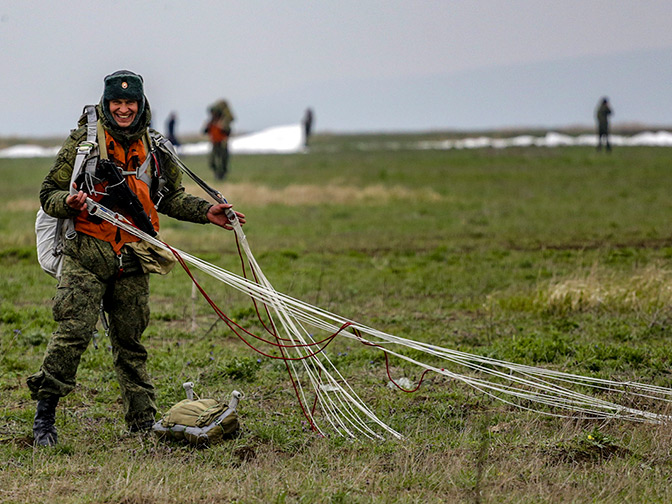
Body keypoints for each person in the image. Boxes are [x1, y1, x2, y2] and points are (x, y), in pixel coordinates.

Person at [27, 70, 246, 446]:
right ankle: (44, 419)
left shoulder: (156, 147)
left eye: (131, 103)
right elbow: (49, 191)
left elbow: (170, 197)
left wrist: (206, 212)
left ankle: (141, 422)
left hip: (133, 257)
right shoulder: (83, 143)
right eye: (117, 103)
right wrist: (69, 201)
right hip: (87, 253)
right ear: (107, 104)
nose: (124, 109)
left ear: (141, 104)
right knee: (73, 334)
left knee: (131, 343)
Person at [203, 100, 234, 180]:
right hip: (214, 143)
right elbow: (205, 131)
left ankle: (222, 176)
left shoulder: (223, 122)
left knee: (223, 160)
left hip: (222, 143)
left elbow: (227, 132)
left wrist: (221, 128)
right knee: (212, 161)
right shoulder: (212, 122)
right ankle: (217, 174)